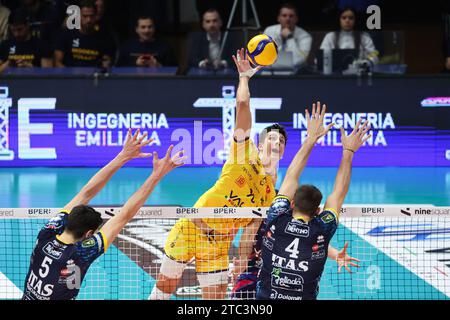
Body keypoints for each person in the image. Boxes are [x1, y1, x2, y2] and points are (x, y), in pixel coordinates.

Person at [150, 48, 285, 300]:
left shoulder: (269, 193)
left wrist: (242, 262)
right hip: (193, 228)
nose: (277, 142)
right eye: (272, 138)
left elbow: (249, 233)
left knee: (215, 299)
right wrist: (244, 78)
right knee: (165, 289)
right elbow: (243, 105)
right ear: (260, 142)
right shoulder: (243, 154)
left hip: (219, 245)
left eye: (282, 142)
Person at [22, 129, 185, 300]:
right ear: (88, 234)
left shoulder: (47, 232)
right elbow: (124, 215)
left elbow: (86, 193)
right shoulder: (81, 253)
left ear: (68, 219)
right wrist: (156, 175)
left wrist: (123, 156)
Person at [256, 103, 371, 300]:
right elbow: (338, 193)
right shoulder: (322, 229)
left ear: (291, 204)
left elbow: (291, 176)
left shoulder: (276, 217)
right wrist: (348, 152)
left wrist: (311, 139)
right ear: (318, 210)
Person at [54, 0, 115, 68]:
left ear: (96, 16)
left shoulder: (105, 38)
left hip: (94, 76)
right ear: (78, 16)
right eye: (85, 16)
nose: (88, 20)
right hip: (70, 76)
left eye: (91, 16)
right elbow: (58, 62)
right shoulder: (66, 34)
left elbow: (106, 63)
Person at [263, 3, 312, 68]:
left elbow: (298, 61)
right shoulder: (269, 31)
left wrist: (290, 37)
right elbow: (264, 56)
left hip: (295, 74)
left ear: (296, 19)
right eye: (284, 15)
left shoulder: (305, 36)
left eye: (291, 16)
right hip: (270, 71)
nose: (288, 18)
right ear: (278, 18)